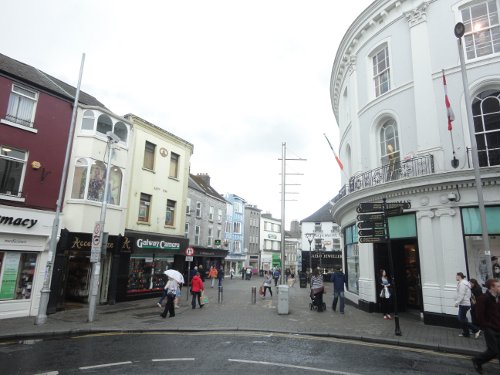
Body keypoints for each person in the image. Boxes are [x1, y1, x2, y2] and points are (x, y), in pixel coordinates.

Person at [471, 278, 500, 374]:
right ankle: (477, 360)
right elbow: (479, 315)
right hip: (489, 328)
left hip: (498, 327)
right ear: (492, 287)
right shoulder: (483, 298)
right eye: (498, 286)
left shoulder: (498, 298)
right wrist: (486, 326)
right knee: (493, 351)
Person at [455, 272, 480, 338]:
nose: (456, 277)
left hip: (464, 304)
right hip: (465, 303)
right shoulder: (465, 283)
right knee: (463, 318)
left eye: (456, 276)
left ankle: (476, 329)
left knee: (461, 318)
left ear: (459, 276)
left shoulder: (462, 284)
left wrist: (457, 302)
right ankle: (466, 333)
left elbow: (461, 294)